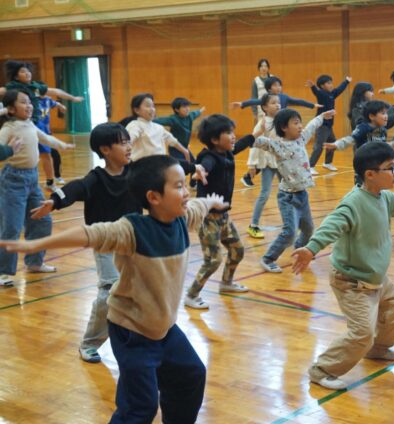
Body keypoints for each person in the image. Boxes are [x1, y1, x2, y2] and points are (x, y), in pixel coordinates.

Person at [0, 155, 227, 423]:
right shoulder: (132, 230)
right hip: (132, 331)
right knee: (140, 406)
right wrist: (36, 245)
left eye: (185, 184)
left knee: (191, 375)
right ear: (153, 197)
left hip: (164, 329)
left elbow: (200, 204)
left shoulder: (182, 218)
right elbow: (90, 234)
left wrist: (212, 201)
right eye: (178, 186)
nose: (186, 191)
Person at [30, 123, 208, 361]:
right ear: (105, 149)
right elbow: (76, 188)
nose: (129, 146)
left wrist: (193, 166)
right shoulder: (96, 178)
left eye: (128, 141)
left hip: (135, 242)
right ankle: (90, 343)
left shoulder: (135, 172)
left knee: (138, 288)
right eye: (122, 143)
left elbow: (163, 167)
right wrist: (54, 201)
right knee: (108, 290)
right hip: (107, 244)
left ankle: (140, 329)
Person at [291, 142, 394, 390]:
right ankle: (322, 369)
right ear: (370, 174)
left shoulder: (382, 196)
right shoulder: (353, 203)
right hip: (352, 281)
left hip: (376, 278)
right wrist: (311, 248)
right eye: (391, 168)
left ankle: (378, 349)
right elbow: (332, 225)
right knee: (361, 333)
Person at [183, 113, 262, 309]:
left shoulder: (226, 153)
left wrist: (254, 135)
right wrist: (201, 172)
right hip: (207, 218)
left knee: (237, 250)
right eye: (228, 133)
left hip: (223, 216)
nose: (233, 136)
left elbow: (240, 145)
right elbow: (206, 166)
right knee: (213, 260)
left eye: (232, 132)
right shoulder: (209, 157)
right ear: (214, 139)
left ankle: (226, 283)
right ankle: (191, 295)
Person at [0, 89, 74, 287]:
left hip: (32, 179)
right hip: (13, 180)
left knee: (42, 220)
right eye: (23, 102)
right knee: (11, 227)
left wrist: (62, 145)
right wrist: (9, 150)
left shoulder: (30, 124)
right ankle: (3, 272)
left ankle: (34, 263)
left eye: (29, 102)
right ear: (11, 109)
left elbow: (44, 138)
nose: (29, 105)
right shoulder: (8, 128)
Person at [253, 108, 335, 272]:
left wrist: (321, 117)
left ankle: (300, 249)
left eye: (300, 122)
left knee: (308, 229)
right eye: (296, 123)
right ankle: (268, 258)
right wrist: (258, 131)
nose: (300, 126)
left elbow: (311, 127)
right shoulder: (277, 145)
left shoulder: (301, 139)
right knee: (290, 232)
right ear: (284, 127)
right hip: (288, 198)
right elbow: (257, 141)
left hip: (302, 195)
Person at [325, 100, 394, 184]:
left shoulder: (383, 130)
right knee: (362, 187)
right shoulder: (363, 127)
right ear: (371, 116)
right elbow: (351, 139)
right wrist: (337, 145)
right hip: (364, 165)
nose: (386, 116)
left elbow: (379, 144)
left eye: (386, 113)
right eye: (383, 113)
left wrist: (389, 145)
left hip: (376, 165)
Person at [1, 60, 83, 126]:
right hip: (18, 121)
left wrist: (73, 98)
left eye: (28, 71)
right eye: (23, 72)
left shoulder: (36, 87)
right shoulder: (13, 87)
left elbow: (56, 91)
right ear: (16, 77)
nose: (27, 73)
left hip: (34, 121)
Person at [246, 94, 282, 239]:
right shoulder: (262, 123)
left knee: (288, 192)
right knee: (265, 194)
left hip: (282, 162)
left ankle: (291, 222)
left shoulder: (283, 120)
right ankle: (253, 225)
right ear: (265, 107)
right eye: (273, 103)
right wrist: (251, 164)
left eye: (278, 102)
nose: (277, 105)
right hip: (268, 163)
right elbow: (254, 143)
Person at [120, 93, 191, 162]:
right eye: (148, 106)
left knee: (183, 166)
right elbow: (129, 140)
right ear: (137, 110)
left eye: (153, 106)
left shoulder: (158, 127)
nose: (152, 109)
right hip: (142, 165)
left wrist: (185, 151)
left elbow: (172, 140)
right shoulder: (135, 125)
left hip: (160, 164)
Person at [306, 74, 351, 174]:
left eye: (331, 83)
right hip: (322, 125)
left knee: (332, 143)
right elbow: (316, 92)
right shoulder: (321, 94)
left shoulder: (332, 94)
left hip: (329, 125)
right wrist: (313, 87)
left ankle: (327, 163)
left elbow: (339, 89)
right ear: (322, 86)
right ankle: (310, 166)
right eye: (328, 83)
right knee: (319, 146)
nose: (331, 85)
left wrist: (346, 81)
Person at [154, 96, 205, 162]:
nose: (187, 109)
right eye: (184, 107)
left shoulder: (190, 116)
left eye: (188, 106)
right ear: (177, 110)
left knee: (194, 164)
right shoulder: (173, 119)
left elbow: (197, 113)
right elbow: (160, 120)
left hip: (185, 147)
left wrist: (201, 110)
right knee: (179, 165)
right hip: (175, 148)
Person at [36, 94, 67, 191]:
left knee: (55, 155)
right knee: (36, 157)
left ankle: (57, 176)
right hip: (35, 133)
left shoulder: (48, 100)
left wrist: (61, 106)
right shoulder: (32, 100)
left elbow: (56, 103)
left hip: (47, 134)